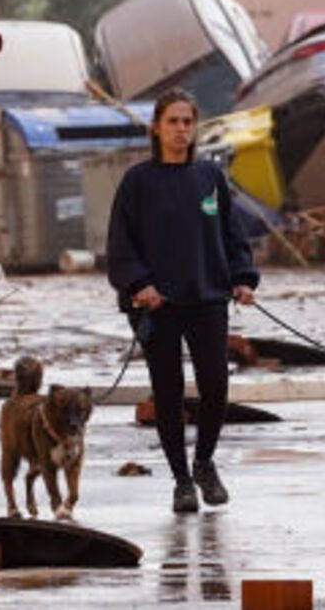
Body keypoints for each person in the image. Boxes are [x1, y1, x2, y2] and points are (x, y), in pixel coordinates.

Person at [107, 89, 259, 514]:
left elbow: (232, 234)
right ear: (156, 127)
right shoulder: (137, 181)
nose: (180, 129)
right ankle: (181, 481)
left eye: (187, 122)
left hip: (207, 298)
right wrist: (139, 284)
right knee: (168, 392)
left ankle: (204, 463)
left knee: (215, 386)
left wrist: (243, 278)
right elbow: (120, 245)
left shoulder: (210, 177)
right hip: (157, 305)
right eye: (172, 121)